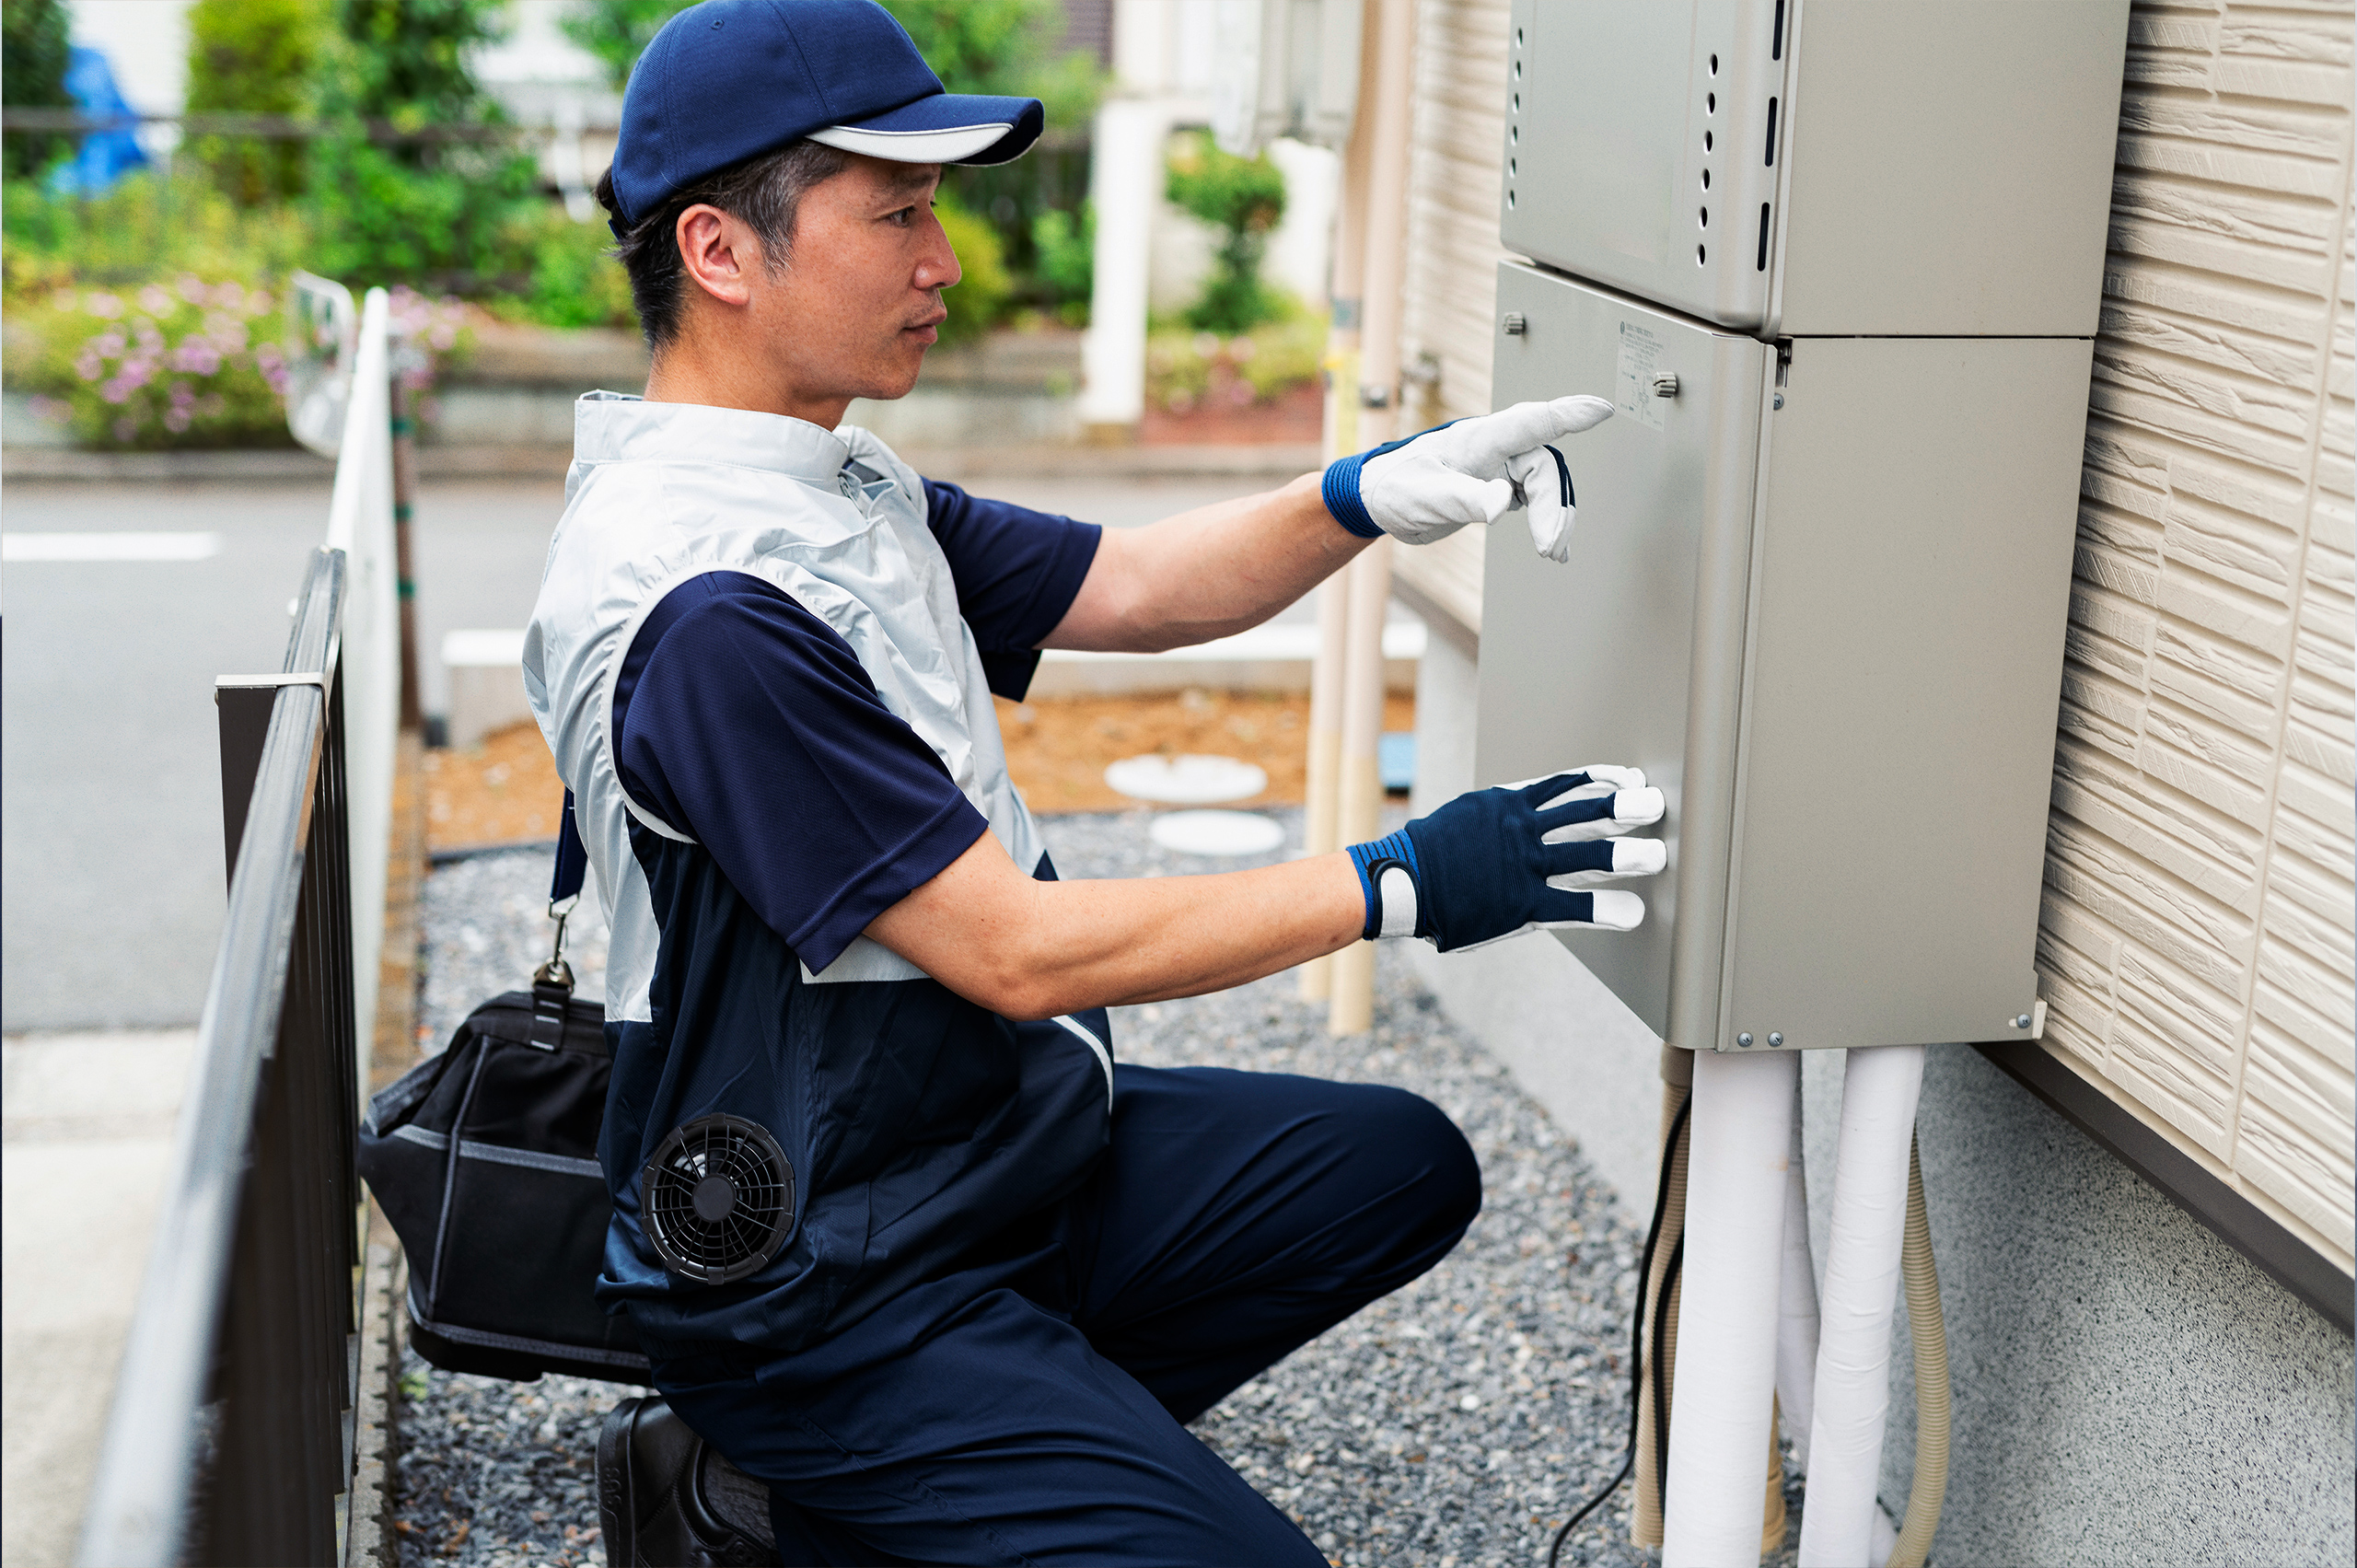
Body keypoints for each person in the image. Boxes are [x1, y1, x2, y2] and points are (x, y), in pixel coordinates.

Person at [526, 3, 1660, 1562]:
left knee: (1396, 1167)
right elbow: (1017, 953)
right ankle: (783, 1495)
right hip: (836, 1267)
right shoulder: (709, 605)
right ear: (723, 253)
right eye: (901, 213)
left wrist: (1370, 494)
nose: (946, 261)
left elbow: (1125, 585)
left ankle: (967, 1464)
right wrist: (1402, 879)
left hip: (985, 1160)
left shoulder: (829, 480)